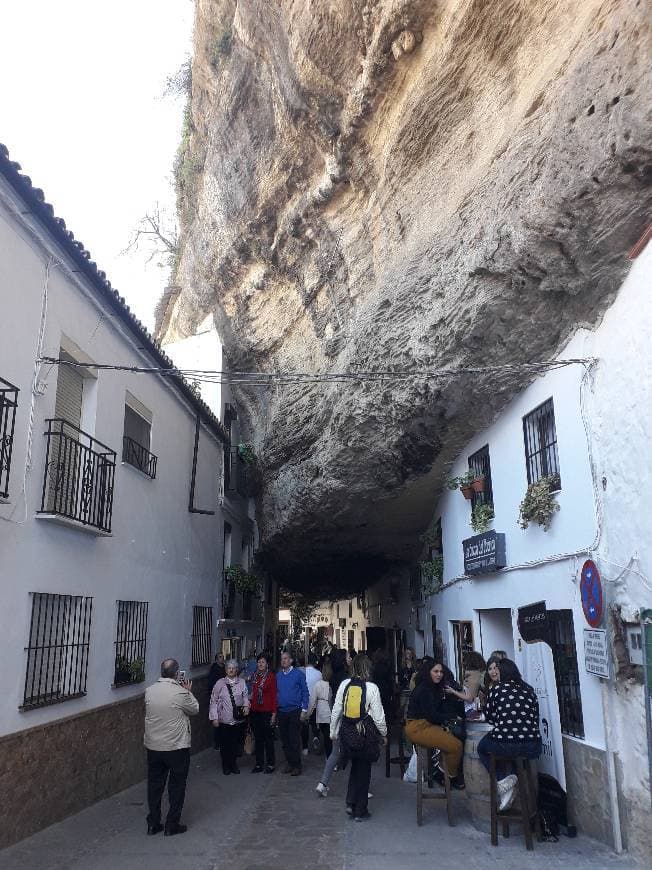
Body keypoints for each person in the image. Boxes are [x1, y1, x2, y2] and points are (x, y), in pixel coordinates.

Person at [144, 658, 199, 837]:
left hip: (154, 747)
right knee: (176, 786)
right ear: (177, 674)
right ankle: (171, 824)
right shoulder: (179, 693)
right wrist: (188, 692)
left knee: (154, 786)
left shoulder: (149, 691)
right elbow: (195, 709)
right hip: (176, 747)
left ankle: (153, 823)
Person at [477, 658, 542, 811]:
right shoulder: (529, 689)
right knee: (515, 754)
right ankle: (511, 786)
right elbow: (535, 717)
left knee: (482, 748)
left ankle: (502, 780)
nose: (495, 674)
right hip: (532, 746)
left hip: (506, 745)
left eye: (497, 671)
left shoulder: (497, 689)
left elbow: (491, 718)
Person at [331, 654, 387, 821]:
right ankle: (360, 810)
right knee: (364, 771)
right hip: (364, 735)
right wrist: (384, 733)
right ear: (368, 668)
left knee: (355, 767)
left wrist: (333, 731)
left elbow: (337, 709)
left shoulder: (344, 685)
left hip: (347, 733)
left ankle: (350, 802)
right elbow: (378, 716)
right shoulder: (372, 688)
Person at [404, 661, 465, 789]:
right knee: (456, 746)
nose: (439, 674)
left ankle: (443, 773)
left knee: (456, 737)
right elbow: (432, 716)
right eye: (435, 671)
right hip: (418, 727)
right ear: (428, 672)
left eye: (441, 672)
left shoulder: (432, 687)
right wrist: (451, 717)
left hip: (426, 724)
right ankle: (445, 775)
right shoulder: (424, 689)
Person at [209, 659, 250, 775]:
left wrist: (246, 706)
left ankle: (234, 764)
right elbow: (213, 701)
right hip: (224, 720)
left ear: (237, 670)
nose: (231, 670)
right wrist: (214, 717)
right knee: (225, 744)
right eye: (229, 668)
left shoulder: (242, 682)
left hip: (238, 720)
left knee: (236, 744)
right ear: (226, 670)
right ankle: (226, 765)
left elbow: (245, 696)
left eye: (233, 668)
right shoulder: (219, 683)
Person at [276, 650, 309, 775]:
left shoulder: (298, 674)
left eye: (286, 658)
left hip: (295, 711)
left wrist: (304, 710)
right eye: (282, 659)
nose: (283, 660)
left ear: (291, 661)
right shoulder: (278, 676)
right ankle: (289, 763)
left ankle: (297, 765)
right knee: (285, 740)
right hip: (282, 711)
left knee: (294, 739)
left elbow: (305, 692)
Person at [308, 661, 333, 793]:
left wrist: (308, 713)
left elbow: (312, 700)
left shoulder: (318, 685)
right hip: (329, 712)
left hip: (321, 712)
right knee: (330, 738)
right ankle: (329, 758)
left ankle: (317, 736)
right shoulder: (332, 685)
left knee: (324, 733)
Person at [249, 653, 277, 773]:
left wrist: (274, 713)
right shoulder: (254, 676)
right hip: (255, 712)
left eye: (263, 662)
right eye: (259, 662)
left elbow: (274, 696)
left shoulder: (271, 677)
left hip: (266, 712)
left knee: (268, 739)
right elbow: (253, 693)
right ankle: (259, 764)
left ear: (267, 664)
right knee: (258, 739)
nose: (260, 664)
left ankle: (270, 764)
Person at [301, 653, 323, 755]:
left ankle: (305, 747)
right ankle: (315, 736)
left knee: (304, 725)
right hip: (315, 702)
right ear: (315, 662)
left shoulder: (301, 672)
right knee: (314, 722)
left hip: (304, 703)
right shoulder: (319, 674)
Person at [207, 653, 227, 750]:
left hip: (225, 697)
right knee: (217, 720)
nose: (222, 658)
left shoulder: (225, 668)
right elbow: (211, 683)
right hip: (217, 698)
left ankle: (223, 741)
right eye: (220, 657)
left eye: (222, 657)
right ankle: (217, 743)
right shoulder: (214, 669)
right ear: (216, 659)